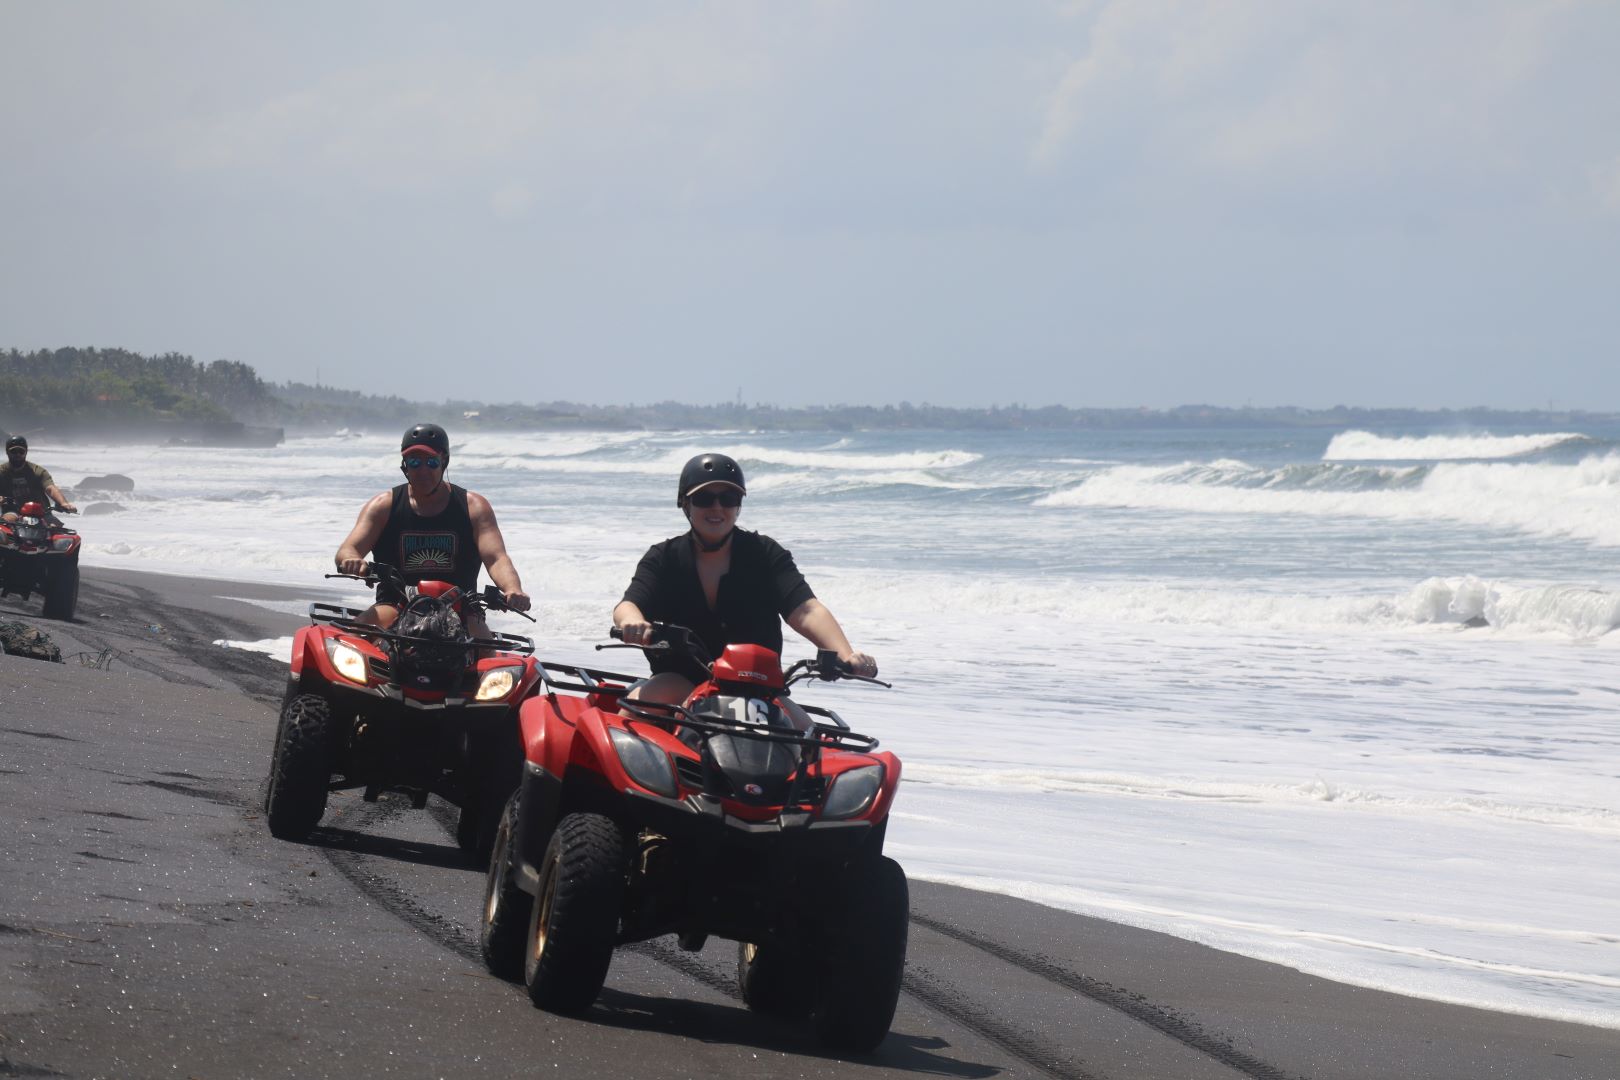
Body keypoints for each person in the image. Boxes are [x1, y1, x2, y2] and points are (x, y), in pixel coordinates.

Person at [612, 452, 876, 713]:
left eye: (728, 498)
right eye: (704, 498)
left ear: (739, 505)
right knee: (636, 713)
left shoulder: (765, 554)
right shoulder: (663, 557)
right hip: (679, 683)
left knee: (805, 738)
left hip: (756, 692)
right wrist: (631, 623)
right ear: (685, 504)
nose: (717, 508)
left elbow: (807, 611)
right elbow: (629, 605)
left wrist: (846, 655)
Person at [334, 423, 530, 637]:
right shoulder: (383, 506)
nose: (423, 470)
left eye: (431, 462)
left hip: (460, 611)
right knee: (346, 643)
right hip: (395, 606)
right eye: (415, 462)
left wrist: (513, 589)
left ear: (444, 462)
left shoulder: (474, 507)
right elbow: (348, 549)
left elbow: (496, 558)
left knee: (487, 657)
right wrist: (352, 561)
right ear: (404, 465)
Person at [1, 435, 77, 522]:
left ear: (26, 452)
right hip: (12, 511)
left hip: (41, 512)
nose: (18, 454)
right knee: (6, 523)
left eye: (21, 451)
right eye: (14, 451)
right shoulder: (1, 472)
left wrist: (64, 503)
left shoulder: (37, 471)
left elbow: (50, 488)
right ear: (7, 452)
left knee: (57, 530)